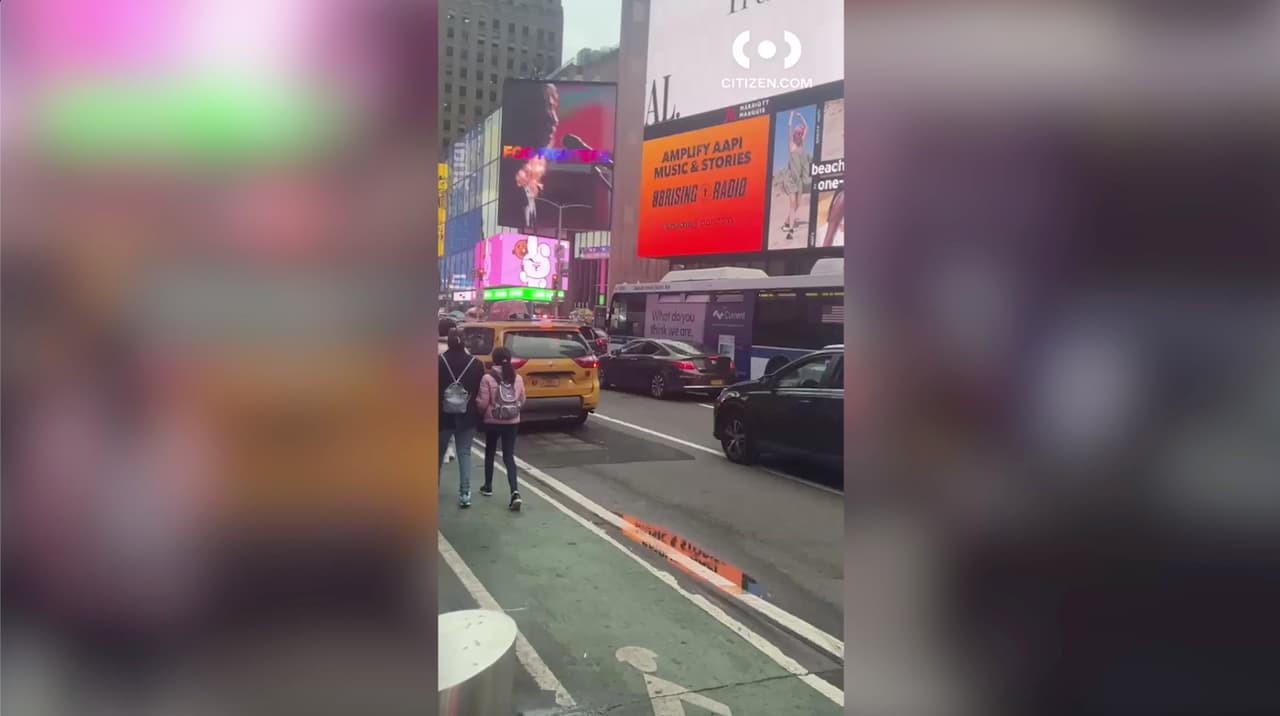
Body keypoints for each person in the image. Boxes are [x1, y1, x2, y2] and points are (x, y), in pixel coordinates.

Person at [475, 346, 527, 511]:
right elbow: (522, 399)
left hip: (493, 421)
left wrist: (482, 413)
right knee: (508, 456)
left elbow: (483, 403)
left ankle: (488, 486)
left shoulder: (487, 378)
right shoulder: (517, 377)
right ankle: (515, 492)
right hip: (512, 421)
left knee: (490, 452)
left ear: (494, 359)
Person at [438, 327, 484, 507]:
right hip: (468, 415)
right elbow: (479, 391)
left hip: (442, 416)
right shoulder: (476, 363)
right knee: (464, 453)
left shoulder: (438, 362)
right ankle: (465, 494)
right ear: (465, 342)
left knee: (438, 454)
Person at [779, 110, 812, 238]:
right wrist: (792, 116)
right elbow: (788, 127)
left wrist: (801, 116)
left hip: (798, 180)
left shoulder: (802, 144)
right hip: (790, 179)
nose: (798, 135)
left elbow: (807, 127)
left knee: (797, 204)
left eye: (800, 133)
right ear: (794, 134)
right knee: (792, 204)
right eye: (797, 133)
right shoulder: (791, 145)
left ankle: (787, 222)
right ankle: (791, 231)